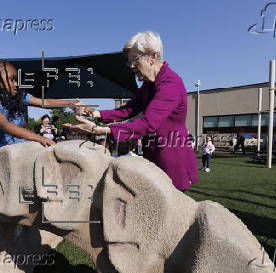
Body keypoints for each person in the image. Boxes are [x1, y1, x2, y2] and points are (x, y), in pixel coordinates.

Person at [0, 54, 82, 247]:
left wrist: (69, 103)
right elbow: (4, 125)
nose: (16, 83)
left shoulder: (19, 96)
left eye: (17, 79)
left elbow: (43, 102)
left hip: (18, 143)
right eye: (12, 79)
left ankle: (45, 207)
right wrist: (38, 137)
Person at [65, 31, 199, 191]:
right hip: (155, 154)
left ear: (153, 57)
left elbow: (147, 123)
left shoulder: (171, 83)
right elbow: (129, 109)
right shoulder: (149, 85)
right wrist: (94, 113)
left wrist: (100, 130)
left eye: (134, 60)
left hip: (172, 159)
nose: (131, 66)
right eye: (129, 62)